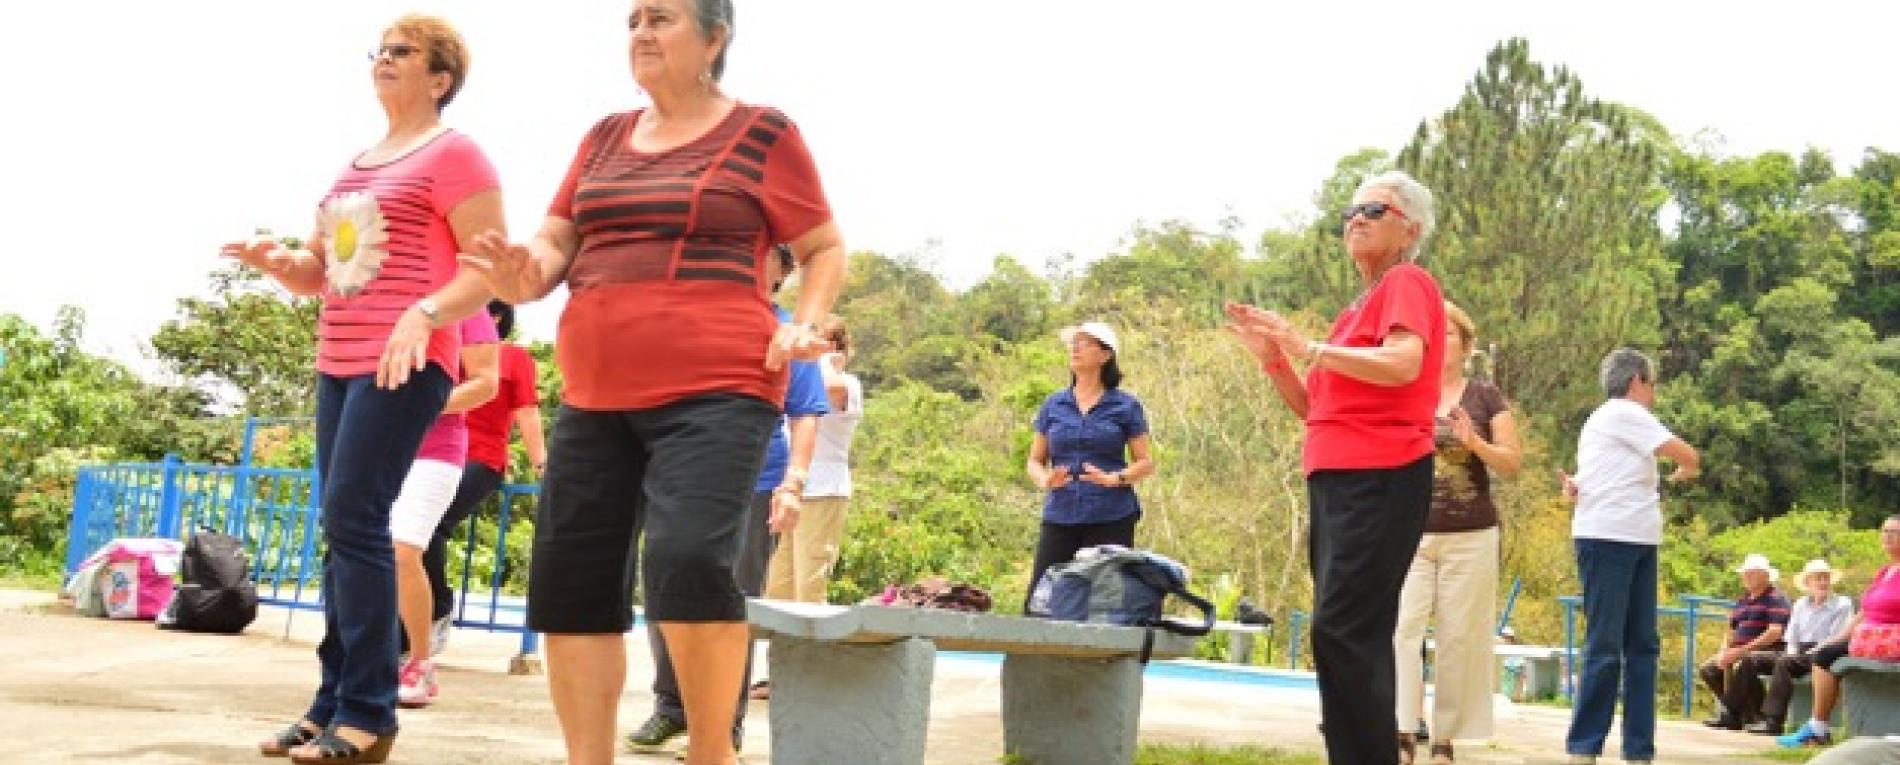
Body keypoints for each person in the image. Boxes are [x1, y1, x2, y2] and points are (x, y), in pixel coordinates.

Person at [455, 1, 846, 762]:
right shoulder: (603, 138)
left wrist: (806, 320)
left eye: (661, 17)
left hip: (720, 386)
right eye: (633, 18)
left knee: (689, 559)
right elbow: (555, 242)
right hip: (596, 394)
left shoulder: (763, 132)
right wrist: (522, 272)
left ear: (714, 38)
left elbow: (823, 244)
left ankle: (711, 750)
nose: (640, 31)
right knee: (570, 577)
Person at [224, 14, 503, 764]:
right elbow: (322, 271)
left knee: (356, 515)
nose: (385, 60)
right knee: (342, 527)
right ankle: (331, 703)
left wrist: (425, 313)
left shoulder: (458, 154)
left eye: (403, 52)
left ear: (440, 79)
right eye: (379, 50)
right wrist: (279, 262)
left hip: (408, 360)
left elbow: (488, 269)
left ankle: (371, 710)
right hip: (340, 359)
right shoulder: (356, 166)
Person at [1226, 170, 1447, 765]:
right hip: (1336, 477)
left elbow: (1403, 364)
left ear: (1410, 229)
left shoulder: (1407, 280)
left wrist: (1310, 349)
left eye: (1375, 208)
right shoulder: (1356, 311)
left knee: (1342, 629)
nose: (1358, 218)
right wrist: (1275, 359)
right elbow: (1313, 407)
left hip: (1381, 474)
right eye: (1351, 210)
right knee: (1346, 633)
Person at [626, 245, 827, 754]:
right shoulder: (693, 319)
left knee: (731, 598)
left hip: (755, 483)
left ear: (784, 269)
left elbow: (805, 413)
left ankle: (722, 725)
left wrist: (793, 485)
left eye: (770, 252)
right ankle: (670, 707)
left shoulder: (787, 329)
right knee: (664, 588)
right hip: (677, 478)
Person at [1558, 348, 1701, 765]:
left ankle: (1638, 749)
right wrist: (1686, 469)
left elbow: (1598, 475)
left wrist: (1576, 486)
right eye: (1651, 384)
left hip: (1634, 538)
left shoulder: (1604, 422)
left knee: (1642, 645)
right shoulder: (1625, 412)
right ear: (1637, 380)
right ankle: (1585, 746)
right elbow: (1688, 454)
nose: (1653, 393)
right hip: (1609, 539)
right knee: (1606, 646)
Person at [1393, 301, 1521, 765]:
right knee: (1403, 629)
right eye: (1432, 333)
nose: (1438, 341)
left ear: (1465, 347)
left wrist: (1474, 443)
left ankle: (1444, 739)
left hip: (1471, 535)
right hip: (1409, 534)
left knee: (1458, 637)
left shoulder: (1487, 398)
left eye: (1448, 334)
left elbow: (1512, 463)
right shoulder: (1406, 390)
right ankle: (1402, 732)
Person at [390, 312, 500, 708]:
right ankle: (364, 659)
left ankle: (420, 663)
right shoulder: (388, 304)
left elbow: (485, 384)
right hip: (380, 445)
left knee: (404, 550)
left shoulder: (470, 314)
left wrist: (416, 406)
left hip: (436, 452)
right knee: (356, 550)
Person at [423, 300, 546, 652]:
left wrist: (542, 466)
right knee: (398, 531)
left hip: (481, 459)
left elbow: (527, 412)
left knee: (429, 526)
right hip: (433, 453)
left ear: (496, 318)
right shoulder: (444, 350)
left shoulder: (514, 358)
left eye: (486, 311)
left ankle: (438, 611)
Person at [1024, 321, 1156, 613]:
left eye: (1085, 343)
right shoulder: (1053, 404)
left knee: (1102, 602)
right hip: (1060, 512)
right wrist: (1045, 480)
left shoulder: (1126, 406)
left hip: (1111, 514)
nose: (1076, 348)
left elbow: (1145, 462)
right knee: (1041, 600)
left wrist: (1115, 478)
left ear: (1105, 355)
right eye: (1074, 343)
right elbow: (1034, 460)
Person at [765, 315, 864, 604]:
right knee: (777, 587)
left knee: (809, 584)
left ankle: (810, 650)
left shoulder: (847, 383)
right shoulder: (799, 382)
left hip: (823, 492)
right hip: (789, 493)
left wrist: (816, 360)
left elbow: (830, 390)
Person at [1779, 514, 1900, 749]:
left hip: (1891, 639)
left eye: (1894, 532)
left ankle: (1818, 728)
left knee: (1825, 656)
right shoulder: (1885, 572)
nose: (1887, 536)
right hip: (1868, 638)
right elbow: (1863, 613)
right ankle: (1818, 727)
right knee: (1823, 654)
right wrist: (1833, 640)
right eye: (1884, 531)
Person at [1755, 559, 1854, 736]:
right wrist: (1791, 653)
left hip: (1825, 651)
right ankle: (1750, 716)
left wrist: (1794, 657)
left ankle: (1773, 721)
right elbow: (1792, 638)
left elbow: (1836, 639)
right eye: (1818, 578)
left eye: (1826, 578)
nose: (1823, 582)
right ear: (1808, 582)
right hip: (1799, 651)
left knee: (1785, 663)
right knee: (1751, 660)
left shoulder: (1842, 604)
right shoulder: (1801, 604)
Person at [1697, 554, 1792, 730]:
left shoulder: (1776, 598)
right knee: (1709, 669)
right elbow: (1731, 631)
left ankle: (1733, 713)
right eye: (1745, 573)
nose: (1746, 577)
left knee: (1748, 661)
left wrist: (1742, 651)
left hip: (1770, 650)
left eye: (1752, 573)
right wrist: (1724, 651)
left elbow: (1775, 632)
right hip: (1740, 650)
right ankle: (1745, 715)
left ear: (1766, 576)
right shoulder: (1742, 601)